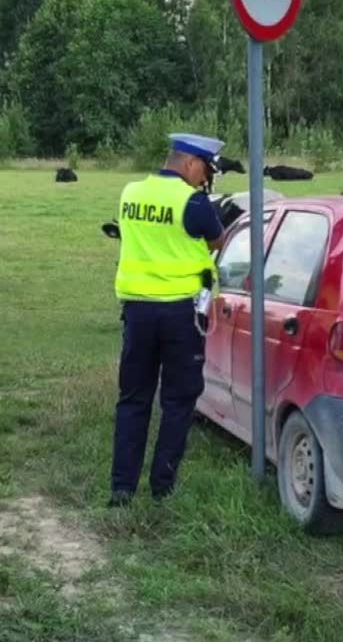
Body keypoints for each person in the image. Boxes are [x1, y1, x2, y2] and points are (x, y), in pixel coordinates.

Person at [108, 133, 227, 508]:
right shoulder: (192, 201)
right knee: (178, 400)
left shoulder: (131, 193)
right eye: (206, 169)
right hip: (180, 314)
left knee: (133, 399)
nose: (205, 178)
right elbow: (215, 241)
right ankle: (162, 486)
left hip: (138, 311)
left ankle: (122, 489)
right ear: (190, 163)